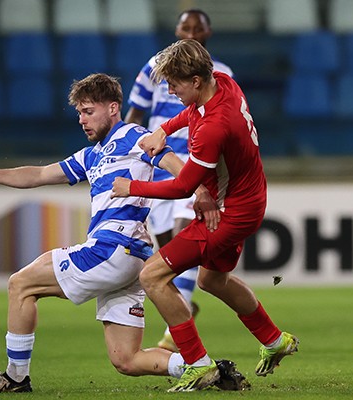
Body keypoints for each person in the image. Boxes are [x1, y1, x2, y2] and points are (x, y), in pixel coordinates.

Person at [0, 73, 245, 394]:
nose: (82, 120)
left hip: (111, 248)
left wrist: (201, 192)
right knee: (126, 359)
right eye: (79, 113)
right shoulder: (92, 155)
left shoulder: (134, 136)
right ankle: (208, 369)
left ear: (112, 108)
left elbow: (173, 163)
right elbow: (39, 174)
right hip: (131, 259)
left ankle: (15, 378)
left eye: (88, 111)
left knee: (20, 284)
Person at [112, 40, 299, 391]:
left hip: (229, 213)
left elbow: (184, 186)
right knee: (211, 280)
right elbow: (190, 113)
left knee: (152, 276)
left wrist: (131, 187)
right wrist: (164, 129)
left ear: (196, 81)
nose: (170, 92)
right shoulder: (223, 83)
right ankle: (275, 341)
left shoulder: (215, 126)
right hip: (244, 199)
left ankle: (198, 364)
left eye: (174, 85)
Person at [124, 8, 234, 353]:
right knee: (170, 254)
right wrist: (127, 155)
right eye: (185, 28)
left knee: (187, 233)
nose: (190, 34)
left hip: (199, 163)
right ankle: (185, 309)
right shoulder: (153, 67)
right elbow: (136, 113)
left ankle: (176, 333)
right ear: (176, 30)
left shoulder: (222, 74)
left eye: (197, 29)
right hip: (161, 163)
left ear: (207, 33)